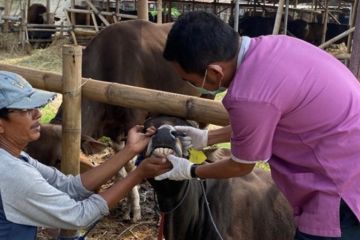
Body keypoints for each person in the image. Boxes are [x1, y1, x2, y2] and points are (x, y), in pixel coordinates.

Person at [154, 11, 360, 239]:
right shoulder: (273, 46)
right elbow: (266, 121)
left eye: (189, 80)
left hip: (339, 185)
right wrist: (206, 138)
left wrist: (190, 170)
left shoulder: (248, 96)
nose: (190, 85)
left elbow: (240, 166)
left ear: (214, 72)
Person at [0, 71, 171, 240]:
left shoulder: (15, 156)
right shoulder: (12, 173)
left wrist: (130, 150)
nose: (38, 114)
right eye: (25, 109)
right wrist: (138, 174)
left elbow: (68, 186)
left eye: (35, 107)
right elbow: (79, 215)